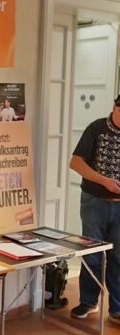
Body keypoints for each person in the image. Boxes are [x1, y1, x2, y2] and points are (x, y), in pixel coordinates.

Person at [68, 95, 120, 325]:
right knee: (92, 254)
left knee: (118, 257)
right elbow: (76, 163)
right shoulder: (96, 129)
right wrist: (103, 181)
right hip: (94, 202)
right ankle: (89, 301)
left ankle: (117, 308)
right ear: (114, 108)